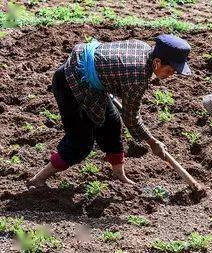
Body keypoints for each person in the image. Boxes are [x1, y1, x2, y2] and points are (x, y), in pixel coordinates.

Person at [28, 34, 191, 187]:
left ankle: (118, 174)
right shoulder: (138, 78)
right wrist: (152, 142)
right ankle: (38, 179)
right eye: (169, 71)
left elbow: (113, 66)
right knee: (81, 142)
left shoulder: (143, 47)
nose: (170, 75)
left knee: (112, 123)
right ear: (157, 62)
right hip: (71, 83)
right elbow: (132, 119)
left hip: (90, 80)